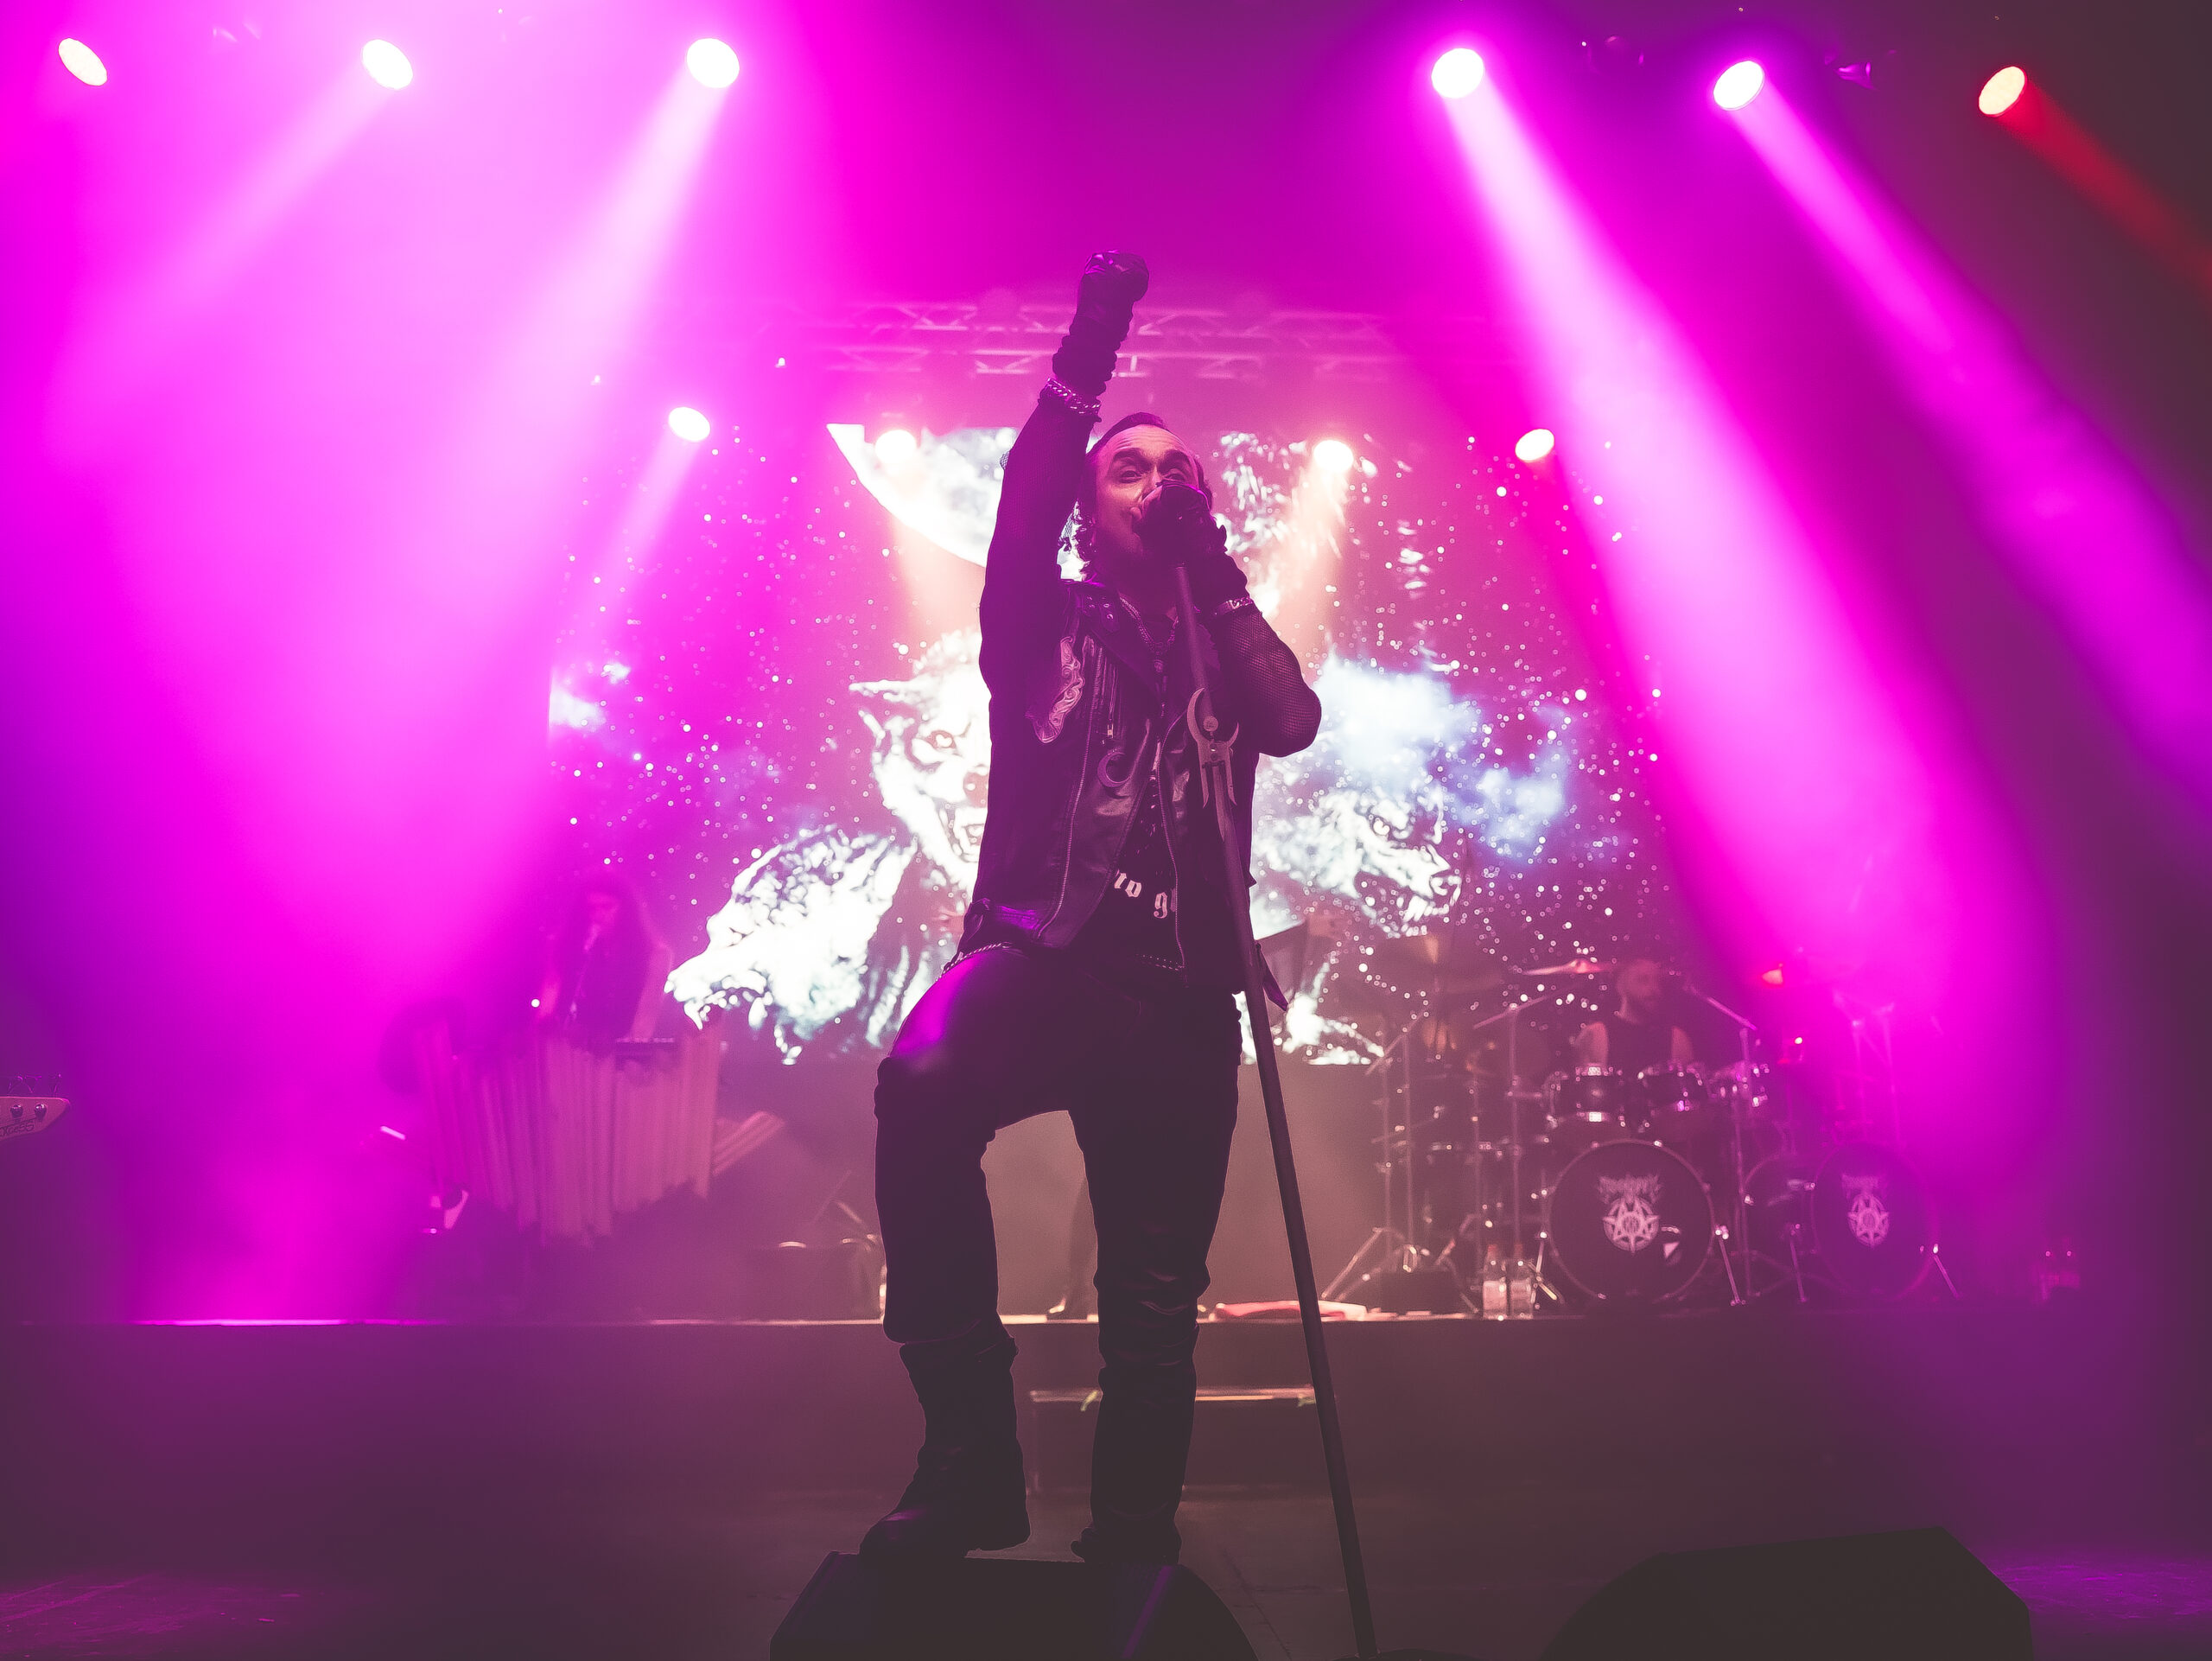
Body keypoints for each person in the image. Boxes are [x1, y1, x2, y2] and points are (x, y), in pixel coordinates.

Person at [863, 251, 1322, 1567]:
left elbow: (1290, 718)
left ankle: (1131, 1542)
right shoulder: (1040, 618)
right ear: (1085, 505)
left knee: (1154, 1298)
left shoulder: (1226, 643)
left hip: (1181, 993)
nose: (1161, 481)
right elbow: (1021, 503)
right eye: (1131, 468)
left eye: (1181, 470)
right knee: (922, 1084)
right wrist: (1091, 344)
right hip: (1049, 949)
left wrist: (1215, 575)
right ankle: (971, 1457)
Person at [537, 873, 671, 1052]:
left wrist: (628, 1051)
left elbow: (645, 1019)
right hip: (572, 1050)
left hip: (622, 1055)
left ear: (627, 909)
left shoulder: (655, 954)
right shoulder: (573, 949)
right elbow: (550, 997)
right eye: (591, 909)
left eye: (607, 907)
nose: (598, 916)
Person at [1571, 954, 1694, 1075]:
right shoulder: (1596, 1035)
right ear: (1621, 986)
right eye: (1643, 980)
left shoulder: (1677, 1039)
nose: (1654, 989)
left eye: (1658, 982)